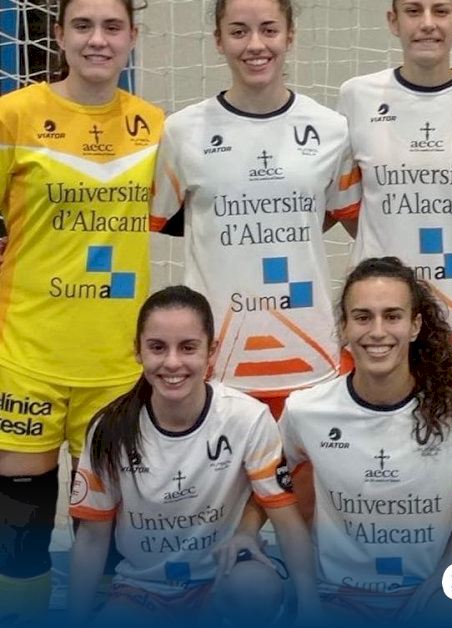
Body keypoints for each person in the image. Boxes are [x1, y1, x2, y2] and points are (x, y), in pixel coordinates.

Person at [0, 0, 164, 620]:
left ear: (132, 36)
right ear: (59, 34)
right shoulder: (14, 114)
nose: (98, 40)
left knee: (114, 530)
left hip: (117, 361)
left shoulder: (155, 127)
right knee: (20, 529)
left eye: (112, 27)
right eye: (83, 26)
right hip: (26, 353)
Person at [278, 257, 452, 621]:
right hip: (338, 594)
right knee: (246, 589)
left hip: (431, 595)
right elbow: (267, 489)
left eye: (392, 316)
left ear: (415, 325)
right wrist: (250, 538)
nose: (377, 331)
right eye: (362, 317)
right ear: (344, 327)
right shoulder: (305, 410)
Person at [150, 0, 358, 419]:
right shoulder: (182, 131)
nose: (255, 44)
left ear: (290, 35)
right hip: (216, 364)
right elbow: (163, 222)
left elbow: (345, 220)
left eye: (269, 29)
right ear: (219, 40)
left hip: (312, 356)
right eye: (239, 31)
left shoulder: (332, 129)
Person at [67, 285, 319, 626]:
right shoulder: (109, 428)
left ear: (211, 351)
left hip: (221, 580)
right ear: (137, 350)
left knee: (255, 586)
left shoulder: (247, 418)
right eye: (157, 347)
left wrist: (311, 610)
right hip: (143, 589)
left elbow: (288, 524)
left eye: (188, 347)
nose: (173, 362)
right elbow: (92, 538)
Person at [337, 0, 452, 411]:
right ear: (393, 21)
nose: (427, 24)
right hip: (380, 329)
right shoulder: (357, 96)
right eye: (414, 11)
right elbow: (351, 209)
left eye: (440, 11)